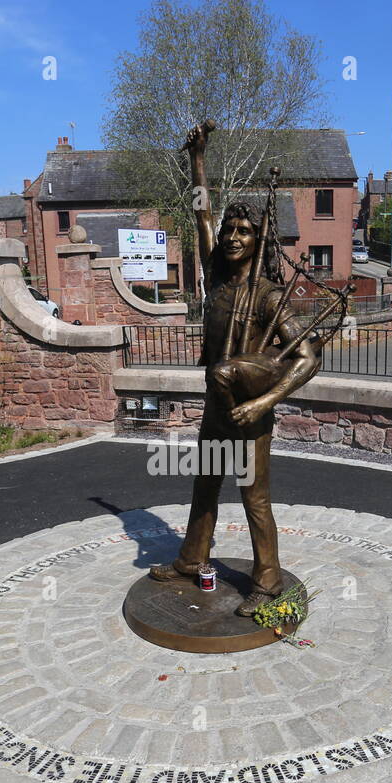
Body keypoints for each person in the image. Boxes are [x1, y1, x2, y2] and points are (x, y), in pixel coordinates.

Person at [148, 120, 321, 616]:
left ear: (259, 240)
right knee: (204, 484)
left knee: (254, 498)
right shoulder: (217, 282)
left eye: (244, 231)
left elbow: (308, 356)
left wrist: (265, 401)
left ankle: (267, 578)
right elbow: (201, 215)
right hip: (214, 407)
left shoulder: (269, 296)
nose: (232, 236)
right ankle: (191, 557)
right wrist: (197, 161)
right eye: (230, 229)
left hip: (249, 409)